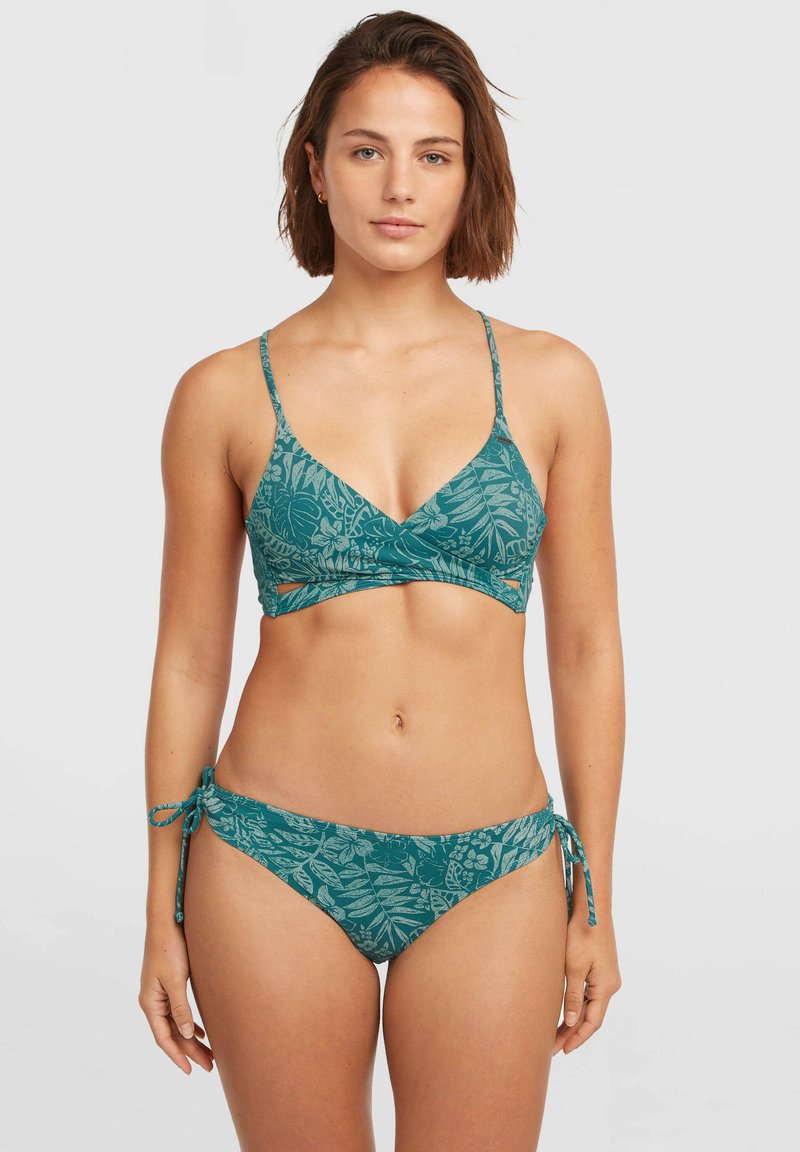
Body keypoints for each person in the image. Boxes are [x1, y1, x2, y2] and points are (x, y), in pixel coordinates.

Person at [139, 10, 624, 1149]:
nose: (398, 186)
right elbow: (190, 658)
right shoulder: (223, 392)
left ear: (470, 176)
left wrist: (595, 893)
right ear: (315, 170)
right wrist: (162, 898)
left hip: (494, 863)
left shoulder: (552, 381)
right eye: (366, 150)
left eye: (433, 154)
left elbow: (587, 648)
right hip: (269, 856)